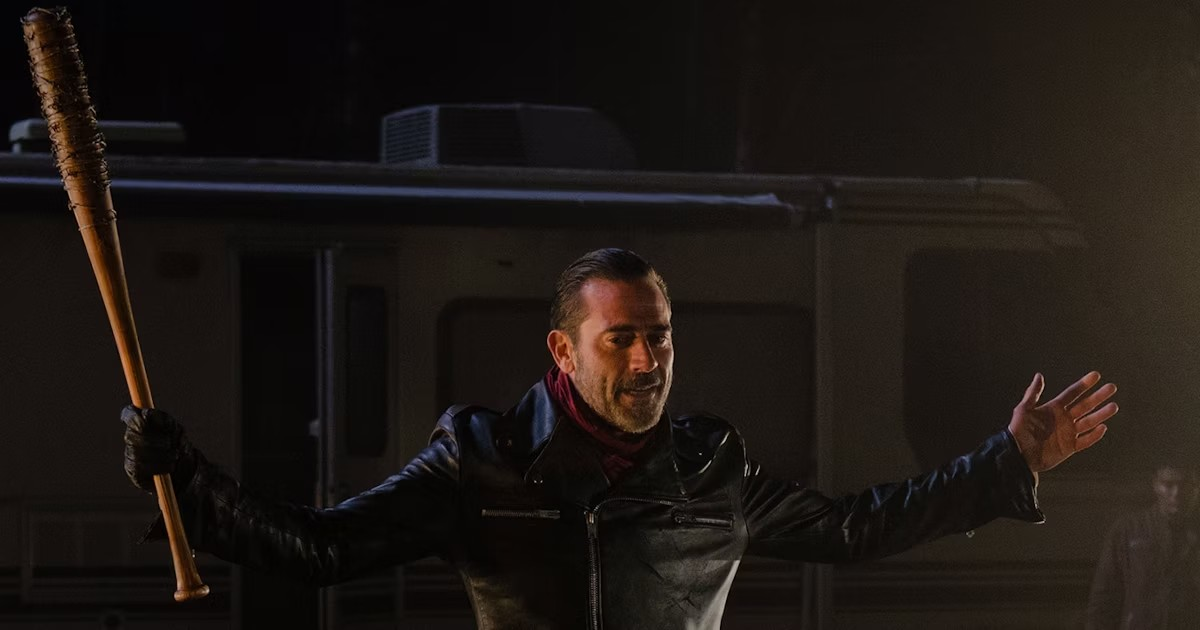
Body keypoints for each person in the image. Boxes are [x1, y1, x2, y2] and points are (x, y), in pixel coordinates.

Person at [123, 248, 1119, 629]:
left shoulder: (711, 468)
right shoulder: (482, 459)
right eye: (622, 340)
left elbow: (860, 529)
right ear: (564, 348)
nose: (648, 362)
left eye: (661, 337)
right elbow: (322, 548)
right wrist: (189, 483)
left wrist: (1006, 462)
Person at [1086, 458, 1200, 629]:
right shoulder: (1127, 531)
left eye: (1185, 485)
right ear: (1155, 485)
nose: (1176, 493)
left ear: (1196, 486)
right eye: (1168, 485)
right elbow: (1104, 597)